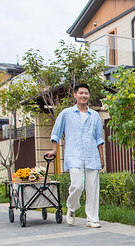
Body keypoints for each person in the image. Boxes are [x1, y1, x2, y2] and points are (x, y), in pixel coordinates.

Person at [45, 83, 105, 228]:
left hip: (92, 156)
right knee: (77, 186)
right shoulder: (66, 113)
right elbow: (56, 132)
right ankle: (71, 208)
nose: (84, 96)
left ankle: (92, 219)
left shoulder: (95, 115)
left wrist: (101, 158)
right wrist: (54, 150)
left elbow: (99, 138)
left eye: (86, 93)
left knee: (92, 188)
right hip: (74, 156)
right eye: (81, 93)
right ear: (75, 95)